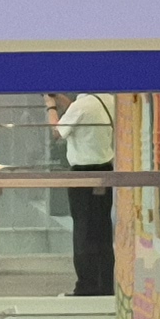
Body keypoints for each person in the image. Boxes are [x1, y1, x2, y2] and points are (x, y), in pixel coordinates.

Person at [56, 85, 115, 297]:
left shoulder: (80, 106)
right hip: (106, 171)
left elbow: (56, 132)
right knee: (102, 230)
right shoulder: (109, 100)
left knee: (83, 230)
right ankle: (105, 284)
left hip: (82, 174)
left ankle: (86, 285)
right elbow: (79, 112)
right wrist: (61, 99)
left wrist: (49, 106)